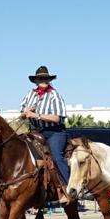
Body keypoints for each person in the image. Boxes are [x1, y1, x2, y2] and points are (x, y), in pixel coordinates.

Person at [20, 65, 70, 203]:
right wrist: (26, 112)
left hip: (54, 131)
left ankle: (67, 187)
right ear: (35, 80)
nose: (43, 80)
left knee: (56, 155)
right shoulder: (31, 94)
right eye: (40, 78)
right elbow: (23, 113)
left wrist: (37, 115)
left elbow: (57, 118)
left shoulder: (55, 95)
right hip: (35, 132)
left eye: (45, 78)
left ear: (49, 80)